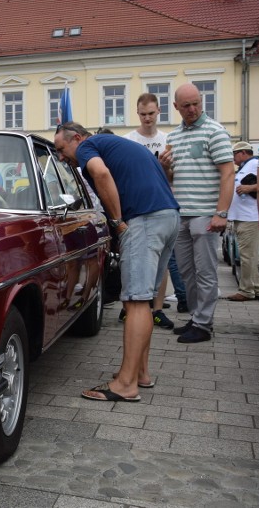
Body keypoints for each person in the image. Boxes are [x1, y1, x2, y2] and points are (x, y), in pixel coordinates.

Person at [55, 122, 179, 402]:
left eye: (62, 149)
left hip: (144, 220)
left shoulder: (89, 146)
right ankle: (140, 374)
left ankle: (125, 384)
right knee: (144, 301)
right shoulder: (124, 145)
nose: (62, 157)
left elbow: (100, 173)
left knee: (135, 301)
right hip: (169, 216)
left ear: (77, 138)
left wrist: (117, 221)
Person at [159, 83, 234, 344]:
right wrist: (165, 167)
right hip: (182, 213)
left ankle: (203, 324)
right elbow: (172, 178)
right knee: (187, 272)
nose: (193, 109)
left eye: (196, 103)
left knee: (206, 272)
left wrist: (221, 213)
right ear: (176, 107)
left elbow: (228, 173)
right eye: (187, 105)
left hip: (205, 213)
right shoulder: (174, 137)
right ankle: (196, 316)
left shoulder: (215, 131)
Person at [122, 93, 181, 327]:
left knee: (161, 261)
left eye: (151, 113)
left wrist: (166, 167)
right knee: (131, 258)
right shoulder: (129, 140)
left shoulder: (168, 140)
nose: (147, 118)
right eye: (143, 114)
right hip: (136, 207)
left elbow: (172, 179)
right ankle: (131, 307)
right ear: (138, 114)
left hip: (162, 205)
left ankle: (157, 308)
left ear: (159, 112)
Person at [226, 142, 259, 301]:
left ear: (242, 153)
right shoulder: (247, 166)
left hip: (250, 217)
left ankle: (246, 290)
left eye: (234, 154)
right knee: (252, 255)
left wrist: (249, 188)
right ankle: (257, 288)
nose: (233, 158)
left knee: (247, 256)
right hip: (244, 217)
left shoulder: (255, 163)